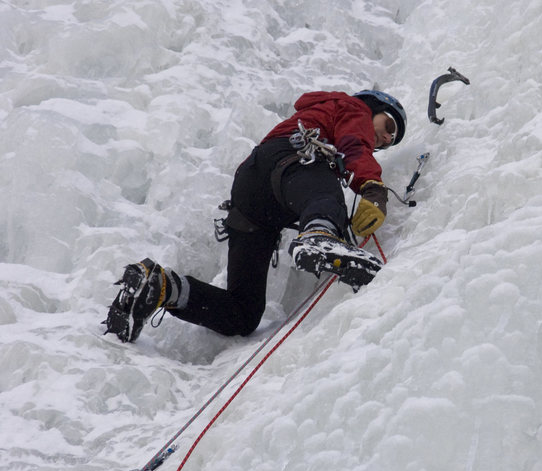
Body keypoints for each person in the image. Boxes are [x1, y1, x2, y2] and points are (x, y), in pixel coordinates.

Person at [104, 89, 407, 343]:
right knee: (327, 193)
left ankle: (161, 287)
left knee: (242, 313)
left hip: (253, 194)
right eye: (389, 127)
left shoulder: (328, 114)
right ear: (374, 107)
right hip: (293, 159)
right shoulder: (353, 108)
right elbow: (354, 147)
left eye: (390, 142)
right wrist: (372, 189)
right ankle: (319, 236)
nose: (385, 140)